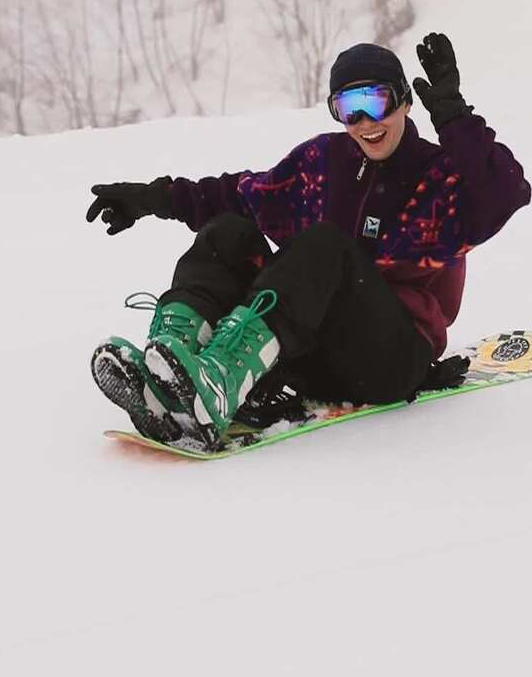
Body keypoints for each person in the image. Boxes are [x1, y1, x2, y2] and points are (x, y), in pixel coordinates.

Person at [88, 34, 531, 450]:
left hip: (390, 359)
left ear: (404, 101)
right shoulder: (325, 163)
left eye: (375, 103)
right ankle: (171, 369)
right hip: (311, 352)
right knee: (230, 230)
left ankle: (219, 381)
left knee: (326, 246)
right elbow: (239, 195)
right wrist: (151, 198)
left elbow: (508, 192)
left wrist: (455, 119)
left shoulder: (441, 179)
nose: (363, 123)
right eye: (347, 109)